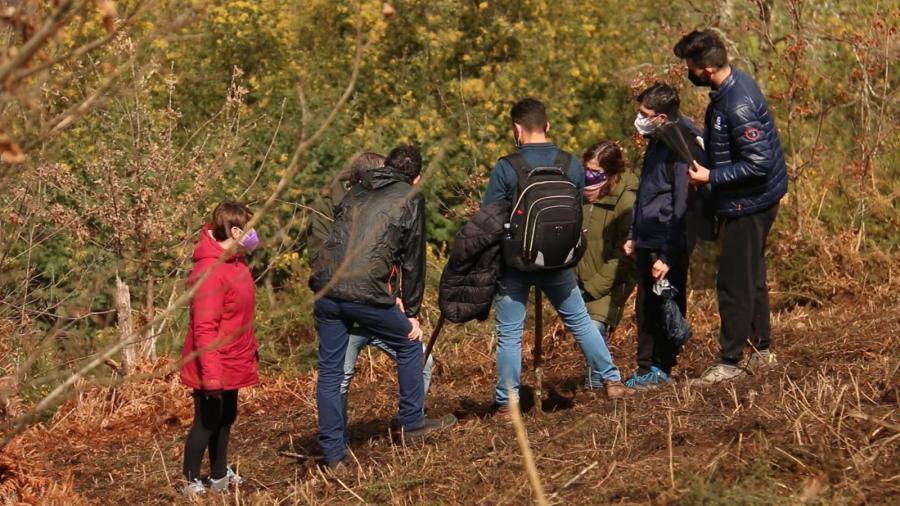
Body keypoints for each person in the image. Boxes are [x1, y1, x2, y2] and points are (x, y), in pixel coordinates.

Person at [483, 98, 634, 414]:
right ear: (547, 126)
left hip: (516, 263)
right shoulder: (570, 164)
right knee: (579, 320)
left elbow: (489, 219)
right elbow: (576, 211)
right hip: (560, 260)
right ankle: (611, 380)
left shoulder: (507, 167)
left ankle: (507, 403)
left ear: (516, 129)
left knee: (510, 333)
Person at [309, 145, 456, 468]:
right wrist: (412, 314)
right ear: (416, 178)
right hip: (365, 294)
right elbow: (413, 261)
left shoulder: (356, 190)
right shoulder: (409, 197)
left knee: (331, 373)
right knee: (409, 344)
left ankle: (334, 454)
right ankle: (412, 421)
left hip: (326, 291)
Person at [674, 29, 788, 384]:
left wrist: (710, 177)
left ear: (705, 69)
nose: (688, 72)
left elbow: (759, 163)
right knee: (751, 276)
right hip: (750, 199)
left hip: (749, 203)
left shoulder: (737, 101)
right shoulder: (727, 91)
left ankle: (730, 361)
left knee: (733, 282)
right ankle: (761, 350)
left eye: (690, 67)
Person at [179, 202, 260, 496]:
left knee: (226, 418)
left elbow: (239, 316)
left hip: (234, 356)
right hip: (213, 361)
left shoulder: (235, 263)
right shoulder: (210, 272)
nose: (255, 235)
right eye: (251, 229)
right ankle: (190, 480)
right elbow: (204, 329)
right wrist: (211, 376)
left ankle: (217, 473)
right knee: (206, 421)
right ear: (236, 231)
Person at [622, 84, 697, 388]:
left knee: (667, 306)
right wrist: (633, 233)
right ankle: (645, 368)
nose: (640, 119)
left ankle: (663, 367)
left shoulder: (680, 146)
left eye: (645, 114)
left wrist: (668, 254)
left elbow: (681, 203)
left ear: (662, 117)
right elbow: (645, 192)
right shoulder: (655, 141)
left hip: (667, 241)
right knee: (646, 308)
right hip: (647, 237)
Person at [576, 141, 638, 388]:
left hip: (612, 279)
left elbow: (622, 256)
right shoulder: (581, 195)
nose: (588, 178)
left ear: (612, 174)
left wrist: (593, 286)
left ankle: (599, 387)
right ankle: (595, 384)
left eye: (596, 173)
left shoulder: (627, 202)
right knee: (587, 332)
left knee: (594, 326)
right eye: (585, 171)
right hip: (580, 278)